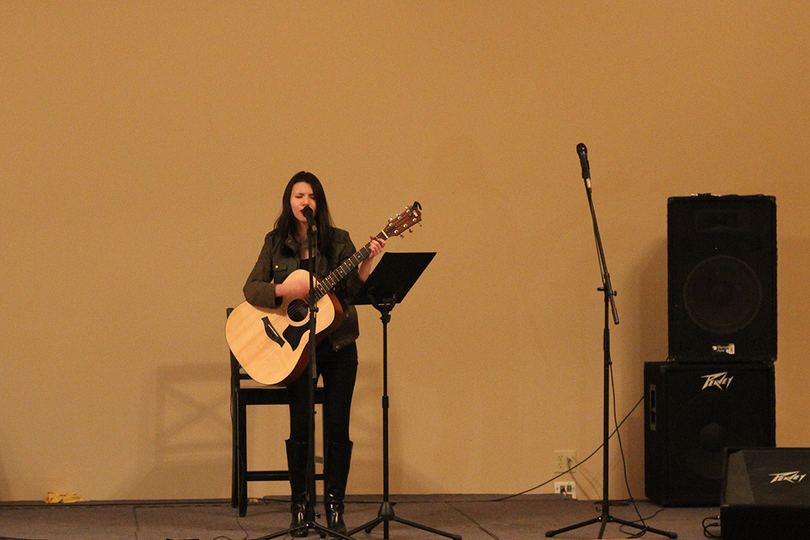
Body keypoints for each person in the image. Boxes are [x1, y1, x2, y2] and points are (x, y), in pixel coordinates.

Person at [242, 171, 385, 536]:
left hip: (337, 346)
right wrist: (284, 287)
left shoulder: (337, 242)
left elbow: (350, 292)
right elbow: (251, 289)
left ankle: (335, 506)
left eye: (311, 196)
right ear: (288, 202)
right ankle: (300, 507)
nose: (305, 202)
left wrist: (367, 263)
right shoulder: (275, 243)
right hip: (295, 351)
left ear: (319, 203)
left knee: (338, 426)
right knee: (301, 426)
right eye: (298, 196)